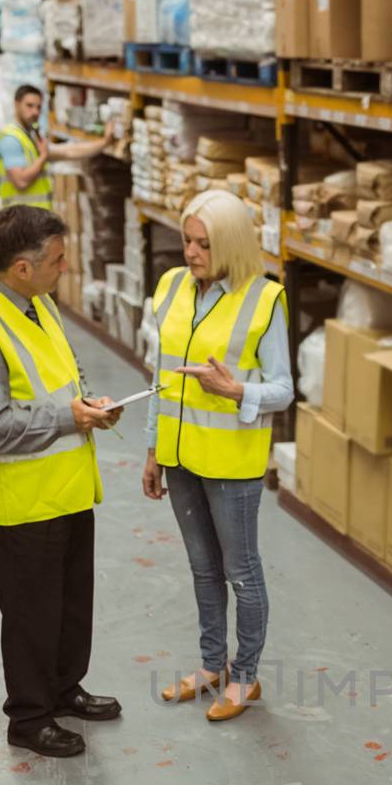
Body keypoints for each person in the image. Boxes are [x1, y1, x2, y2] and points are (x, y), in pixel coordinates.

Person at [0, 205, 124, 758]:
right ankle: (29, 716)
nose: (64, 268)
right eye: (57, 260)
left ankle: (64, 689)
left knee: (70, 606)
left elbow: (59, 377)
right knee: (31, 615)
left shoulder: (37, 304)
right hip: (21, 504)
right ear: (22, 267)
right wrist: (71, 417)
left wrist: (89, 405)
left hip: (65, 487)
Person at [142, 190, 293, 723]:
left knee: (241, 572)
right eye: (187, 240)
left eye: (204, 244)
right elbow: (161, 380)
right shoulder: (170, 288)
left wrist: (236, 392)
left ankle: (244, 677)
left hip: (232, 463)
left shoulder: (264, 299)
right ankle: (211, 666)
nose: (191, 252)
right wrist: (154, 451)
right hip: (181, 457)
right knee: (203, 569)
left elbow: (283, 389)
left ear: (229, 245)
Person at [0, 84, 112, 210]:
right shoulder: (11, 139)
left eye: (39, 107)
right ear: (17, 105)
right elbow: (21, 182)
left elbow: (70, 152)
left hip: (34, 216)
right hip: (20, 219)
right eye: (29, 106)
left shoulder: (30, 137)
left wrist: (105, 142)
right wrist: (43, 157)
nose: (35, 112)